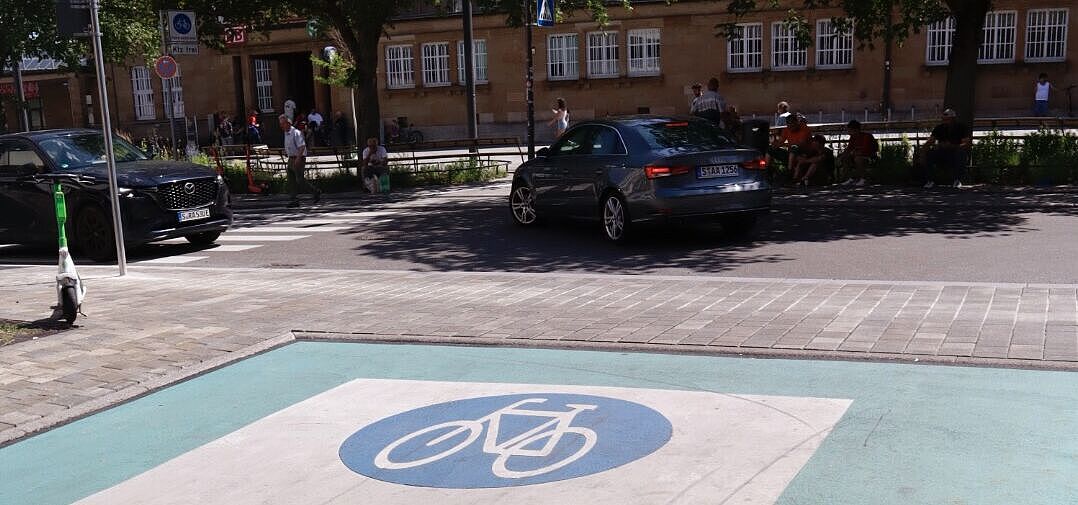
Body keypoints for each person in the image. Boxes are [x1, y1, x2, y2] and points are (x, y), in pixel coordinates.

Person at [921, 108, 972, 189]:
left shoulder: (961, 127)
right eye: (944, 120)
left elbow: (966, 143)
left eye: (947, 120)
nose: (945, 122)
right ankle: (930, 180)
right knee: (929, 154)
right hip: (942, 152)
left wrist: (953, 146)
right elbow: (931, 141)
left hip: (955, 151)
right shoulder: (939, 128)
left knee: (960, 154)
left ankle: (957, 180)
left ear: (953, 119)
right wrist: (924, 150)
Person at [280, 114, 321, 207]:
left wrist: (298, 158)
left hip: (298, 158)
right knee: (291, 180)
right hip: (291, 158)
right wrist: (286, 151)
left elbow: (302, 146)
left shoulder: (296, 133)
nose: (281, 126)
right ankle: (294, 200)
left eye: (282, 123)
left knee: (300, 180)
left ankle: (315, 192)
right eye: (281, 124)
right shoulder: (286, 133)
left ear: (288, 123)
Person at [837, 120, 878, 186]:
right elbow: (849, 149)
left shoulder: (867, 137)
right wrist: (842, 155)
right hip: (857, 156)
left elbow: (865, 150)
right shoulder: (852, 138)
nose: (848, 132)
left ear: (855, 130)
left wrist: (853, 153)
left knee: (858, 159)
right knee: (845, 158)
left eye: (849, 130)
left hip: (869, 157)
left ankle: (864, 179)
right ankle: (851, 178)